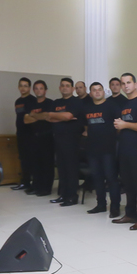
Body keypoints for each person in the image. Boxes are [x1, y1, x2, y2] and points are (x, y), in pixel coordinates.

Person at [113, 72, 137, 230]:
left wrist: (125, 125)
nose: (126, 86)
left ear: (135, 84)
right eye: (123, 83)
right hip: (124, 149)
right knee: (128, 184)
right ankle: (130, 213)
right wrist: (119, 126)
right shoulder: (124, 104)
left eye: (128, 82)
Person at [83, 82, 121, 217]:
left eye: (100, 89)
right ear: (90, 93)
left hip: (108, 149)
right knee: (97, 178)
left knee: (111, 178)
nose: (97, 92)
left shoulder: (112, 106)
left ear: (103, 92)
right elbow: (86, 127)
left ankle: (115, 207)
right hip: (92, 149)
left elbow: (118, 126)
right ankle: (101, 204)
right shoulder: (87, 108)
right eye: (94, 90)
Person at [46, 78, 84, 207]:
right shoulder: (56, 102)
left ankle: (72, 197)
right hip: (58, 139)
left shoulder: (76, 102)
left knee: (71, 169)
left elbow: (68, 116)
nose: (65, 88)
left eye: (67, 86)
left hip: (72, 140)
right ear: (59, 88)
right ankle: (63, 195)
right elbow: (49, 118)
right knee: (61, 169)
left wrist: (60, 116)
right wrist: (63, 117)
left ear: (72, 89)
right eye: (62, 85)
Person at [23, 80, 55, 196]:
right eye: (36, 88)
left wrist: (34, 115)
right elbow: (26, 120)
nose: (38, 90)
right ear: (33, 90)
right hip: (33, 137)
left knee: (47, 163)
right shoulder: (30, 104)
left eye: (41, 88)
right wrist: (40, 116)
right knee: (35, 163)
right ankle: (36, 186)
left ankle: (46, 188)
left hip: (47, 137)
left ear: (45, 90)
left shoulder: (50, 103)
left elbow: (48, 117)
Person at [11, 77, 35, 191]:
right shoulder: (18, 101)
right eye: (21, 86)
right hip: (20, 133)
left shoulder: (32, 100)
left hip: (31, 134)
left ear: (29, 88)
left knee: (31, 159)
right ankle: (25, 182)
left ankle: (33, 183)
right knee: (23, 158)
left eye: (25, 86)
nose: (23, 88)